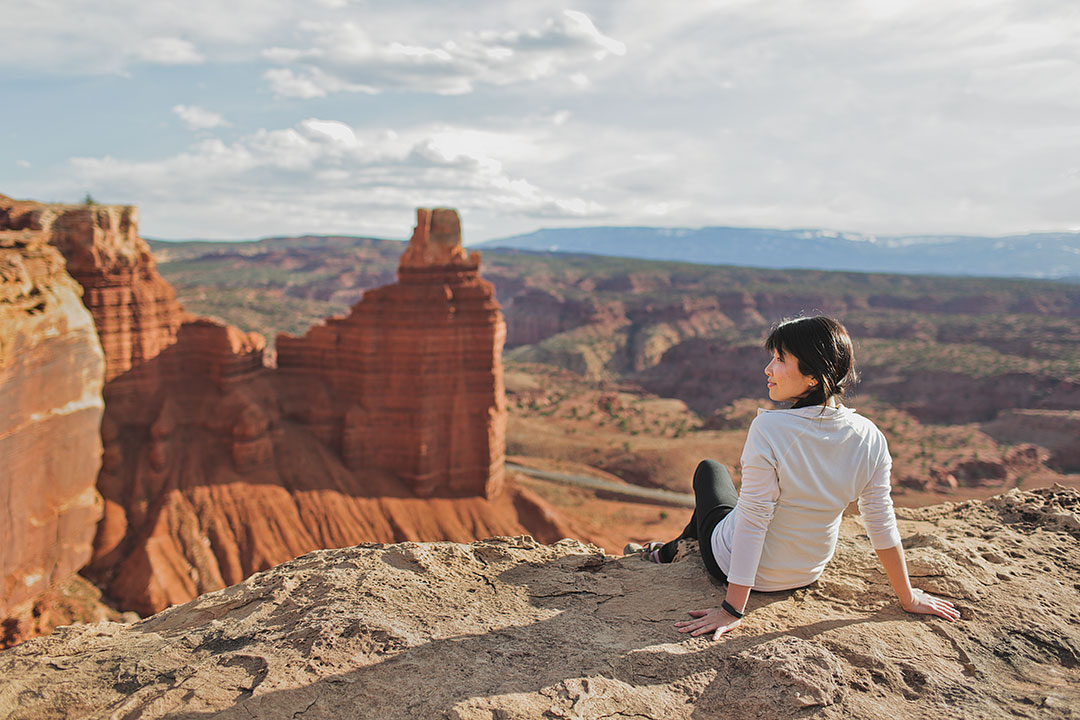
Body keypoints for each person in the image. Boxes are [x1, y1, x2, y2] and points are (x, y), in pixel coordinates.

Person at [632, 315, 960, 641]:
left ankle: (666, 551)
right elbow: (881, 523)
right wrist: (908, 597)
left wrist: (731, 610)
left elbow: (753, 521)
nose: (768, 369)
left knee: (711, 472)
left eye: (780, 359)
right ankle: (668, 549)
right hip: (806, 572)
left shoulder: (769, 430)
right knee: (733, 507)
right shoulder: (870, 436)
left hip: (732, 567)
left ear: (814, 377)